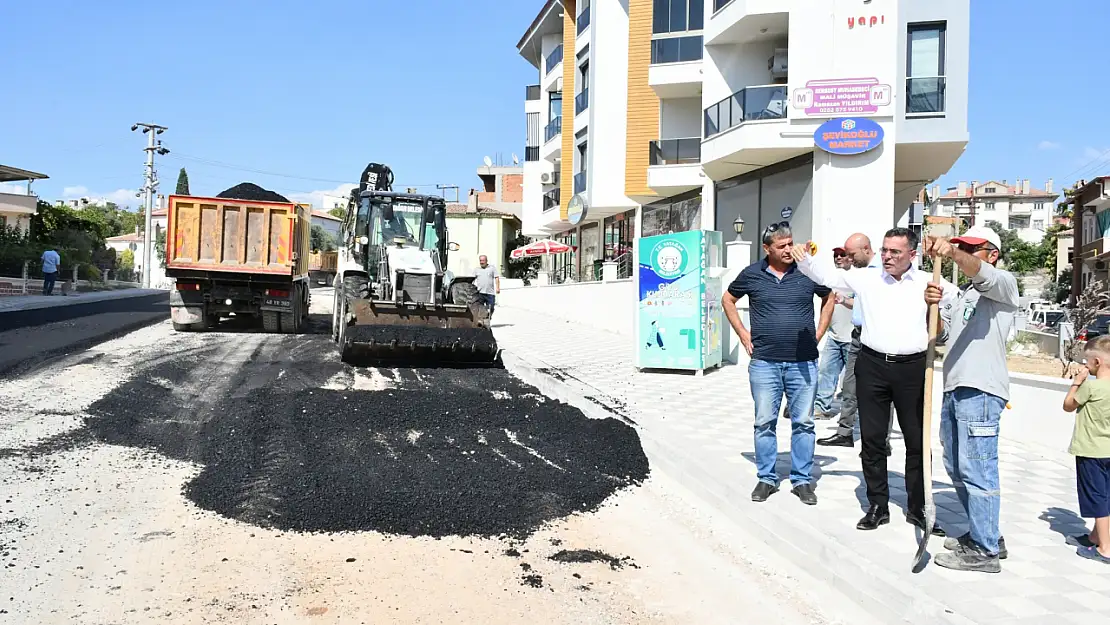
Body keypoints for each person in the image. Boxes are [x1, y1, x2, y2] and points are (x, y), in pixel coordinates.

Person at [794, 227, 957, 533]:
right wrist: (804, 259)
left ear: (912, 254)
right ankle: (878, 505)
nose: (887, 256)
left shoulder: (928, 281)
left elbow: (956, 299)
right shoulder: (866, 278)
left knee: (917, 441)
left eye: (895, 252)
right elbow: (827, 276)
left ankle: (918, 507)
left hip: (913, 369)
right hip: (872, 366)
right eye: (884, 250)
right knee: (872, 439)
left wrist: (940, 298)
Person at [923, 227, 1018, 573]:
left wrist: (950, 253)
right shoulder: (964, 295)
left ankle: (985, 550)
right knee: (958, 467)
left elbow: (979, 273)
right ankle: (986, 533)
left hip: (981, 389)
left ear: (992, 253)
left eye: (970, 248)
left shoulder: (1002, 285)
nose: (961, 251)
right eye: (959, 245)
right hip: (955, 387)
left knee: (979, 469)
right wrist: (930, 310)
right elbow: (942, 335)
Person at [722, 223, 835, 506]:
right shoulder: (752, 274)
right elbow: (728, 299)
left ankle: (801, 480)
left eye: (790, 244)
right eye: (782, 246)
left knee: (805, 424)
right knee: (764, 423)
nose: (788, 250)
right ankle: (767, 478)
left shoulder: (806, 270)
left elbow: (829, 295)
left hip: (804, 363)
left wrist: (819, 332)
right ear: (767, 248)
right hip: (765, 363)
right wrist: (743, 335)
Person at [1062, 336, 1110, 565]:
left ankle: (1105, 549)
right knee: (1107, 496)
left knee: (1097, 498)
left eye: (1087, 361)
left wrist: (1077, 382)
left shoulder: (1091, 386)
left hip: (1092, 451)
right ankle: (1095, 536)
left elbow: (1068, 405)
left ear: (1098, 363)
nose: (1085, 364)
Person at [813, 248, 857, 420]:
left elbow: (862, 304)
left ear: (851, 258)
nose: (838, 258)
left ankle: (850, 414)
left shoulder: (856, 279)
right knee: (825, 372)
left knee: (851, 381)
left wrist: (844, 300)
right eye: (835, 255)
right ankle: (821, 408)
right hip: (833, 336)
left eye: (842, 255)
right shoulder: (831, 280)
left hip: (851, 338)